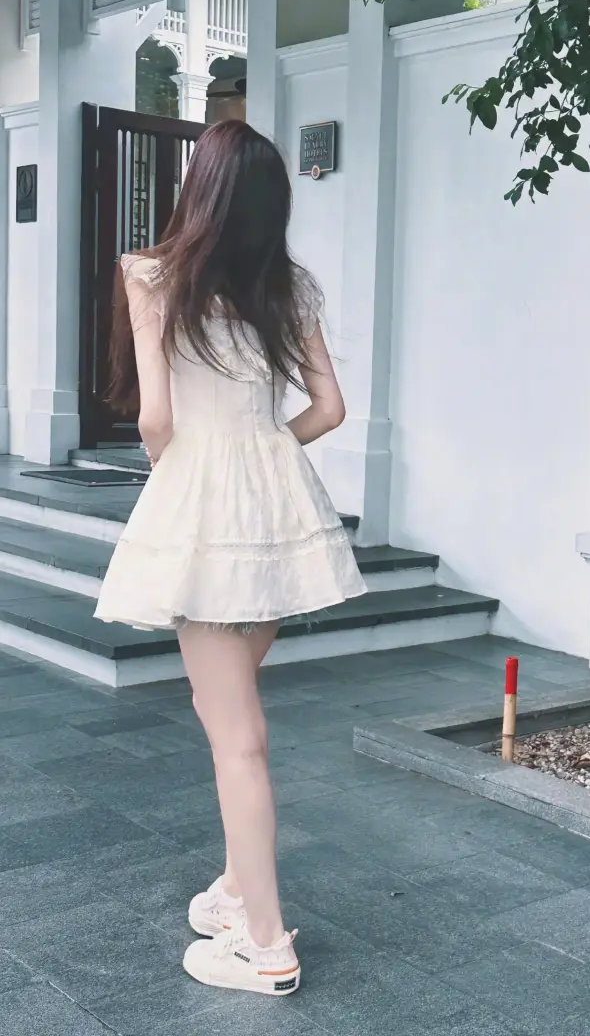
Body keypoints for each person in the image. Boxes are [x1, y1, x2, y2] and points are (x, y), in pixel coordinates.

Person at [95, 119, 366, 996]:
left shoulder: (151, 274)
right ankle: (235, 889)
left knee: (237, 740)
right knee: (230, 715)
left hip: (207, 509)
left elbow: (156, 419)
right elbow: (329, 410)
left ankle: (265, 945)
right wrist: (265, 452)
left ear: (199, 190)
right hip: (275, 511)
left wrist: (181, 474)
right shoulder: (289, 285)